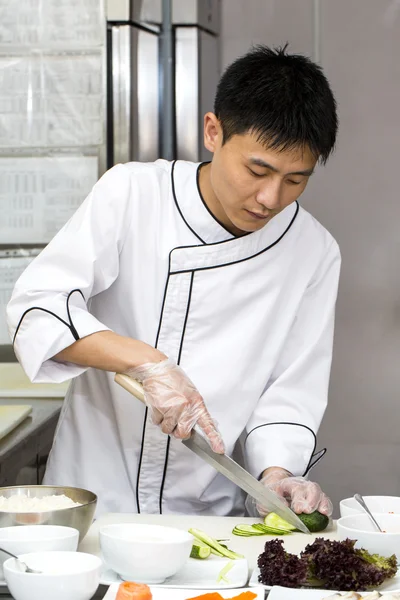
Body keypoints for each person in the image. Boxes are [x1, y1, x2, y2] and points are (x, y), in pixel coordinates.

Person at [7, 45, 340, 518]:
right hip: (96, 501)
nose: (269, 198)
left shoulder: (314, 250)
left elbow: (290, 390)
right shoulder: (133, 193)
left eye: (295, 180)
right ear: (213, 132)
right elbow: (36, 308)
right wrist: (148, 362)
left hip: (208, 512)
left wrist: (278, 475)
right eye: (257, 170)